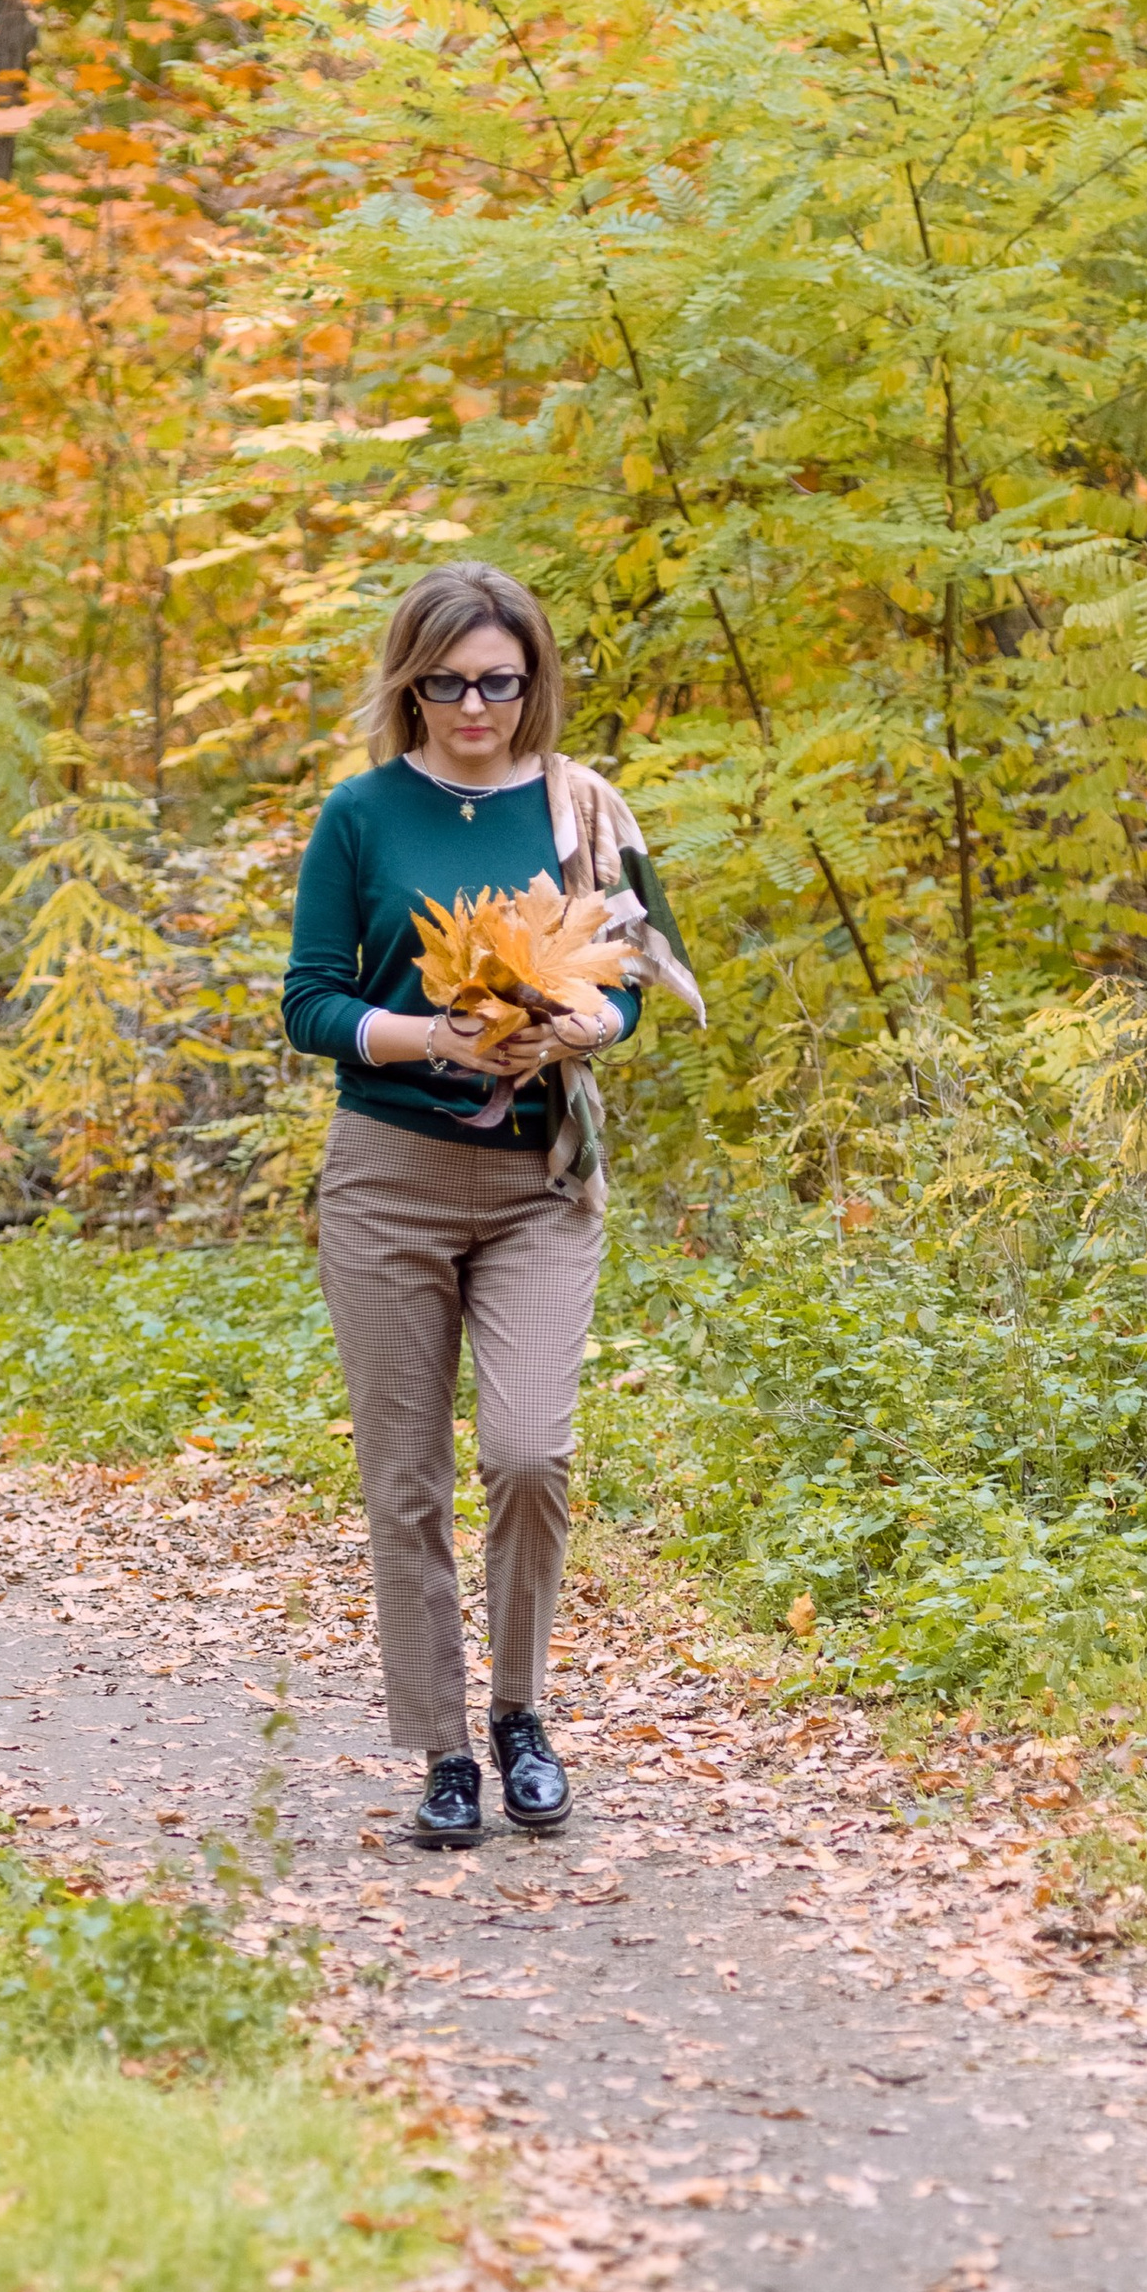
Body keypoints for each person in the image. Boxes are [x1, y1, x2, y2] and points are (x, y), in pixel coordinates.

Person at [282, 561, 702, 1849]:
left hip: (538, 1180)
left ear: (535, 683)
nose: (478, 706)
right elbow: (311, 1003)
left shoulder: (583, 810)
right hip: (388, 1182)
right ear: (412, 685)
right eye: (451, 683)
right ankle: (445, 1753)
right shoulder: (360, 817)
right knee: (404, 1480)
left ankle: (521, 1712)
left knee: (529, 1451)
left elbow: (639, 973)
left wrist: (592, 1021)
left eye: (501, 683)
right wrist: (426, 1039)